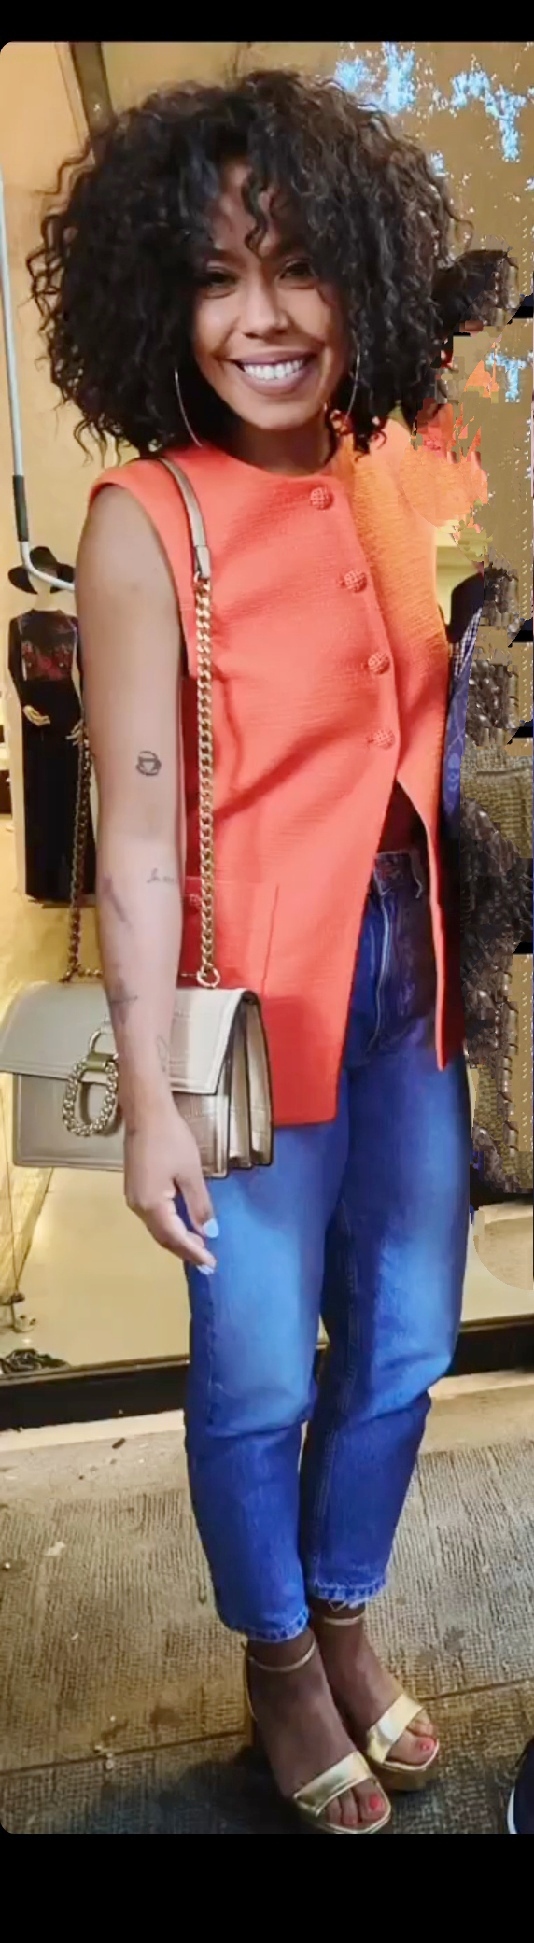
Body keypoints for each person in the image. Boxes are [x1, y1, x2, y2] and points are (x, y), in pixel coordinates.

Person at [31, 68, 488, 1834]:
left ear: (354, 277)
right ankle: (280, 1657)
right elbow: (140, 844)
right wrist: (149, 1095)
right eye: (217, 278)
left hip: (409, 976)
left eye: (296, 266)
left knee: (405, 1342)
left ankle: (347, 1613)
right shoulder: (146, 523)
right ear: (164, 301)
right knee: (251, 1376)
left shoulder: (387, 473)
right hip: (239, 1012)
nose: (263, 317)